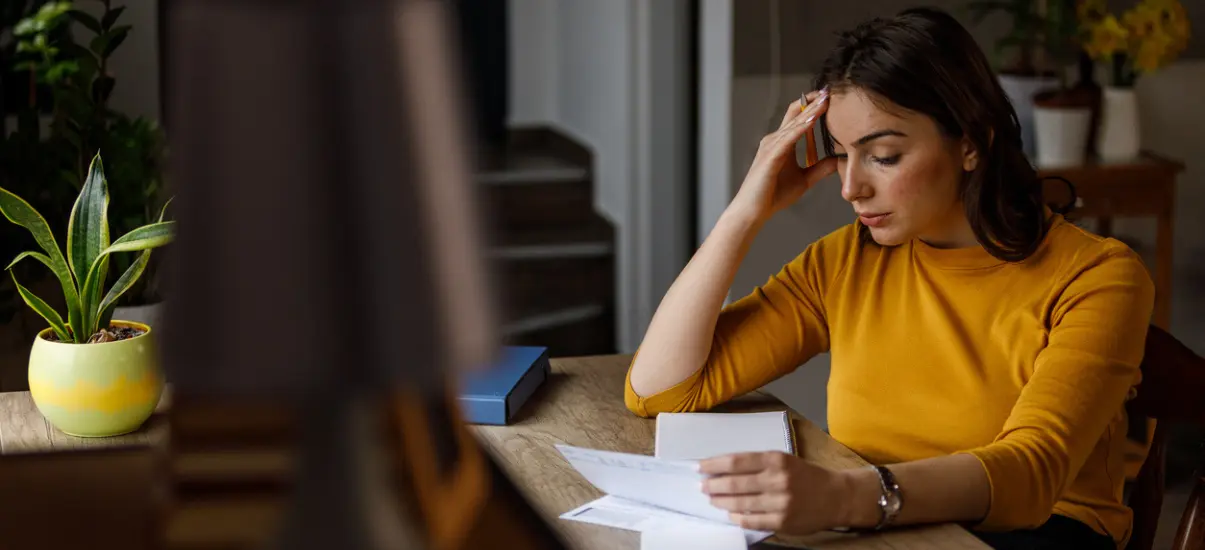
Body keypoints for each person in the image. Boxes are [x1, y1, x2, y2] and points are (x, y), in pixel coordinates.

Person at [624, 7, 1153, 550]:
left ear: (971, 143)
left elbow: (1031, 474)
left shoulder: (1098, 276)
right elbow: (662, 389)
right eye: (842, 155)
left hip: (1035, 534)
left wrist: (842, 498)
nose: (851, 187)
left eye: (883, 156)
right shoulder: (844, 264)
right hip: (880, 525)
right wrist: (745, 211)